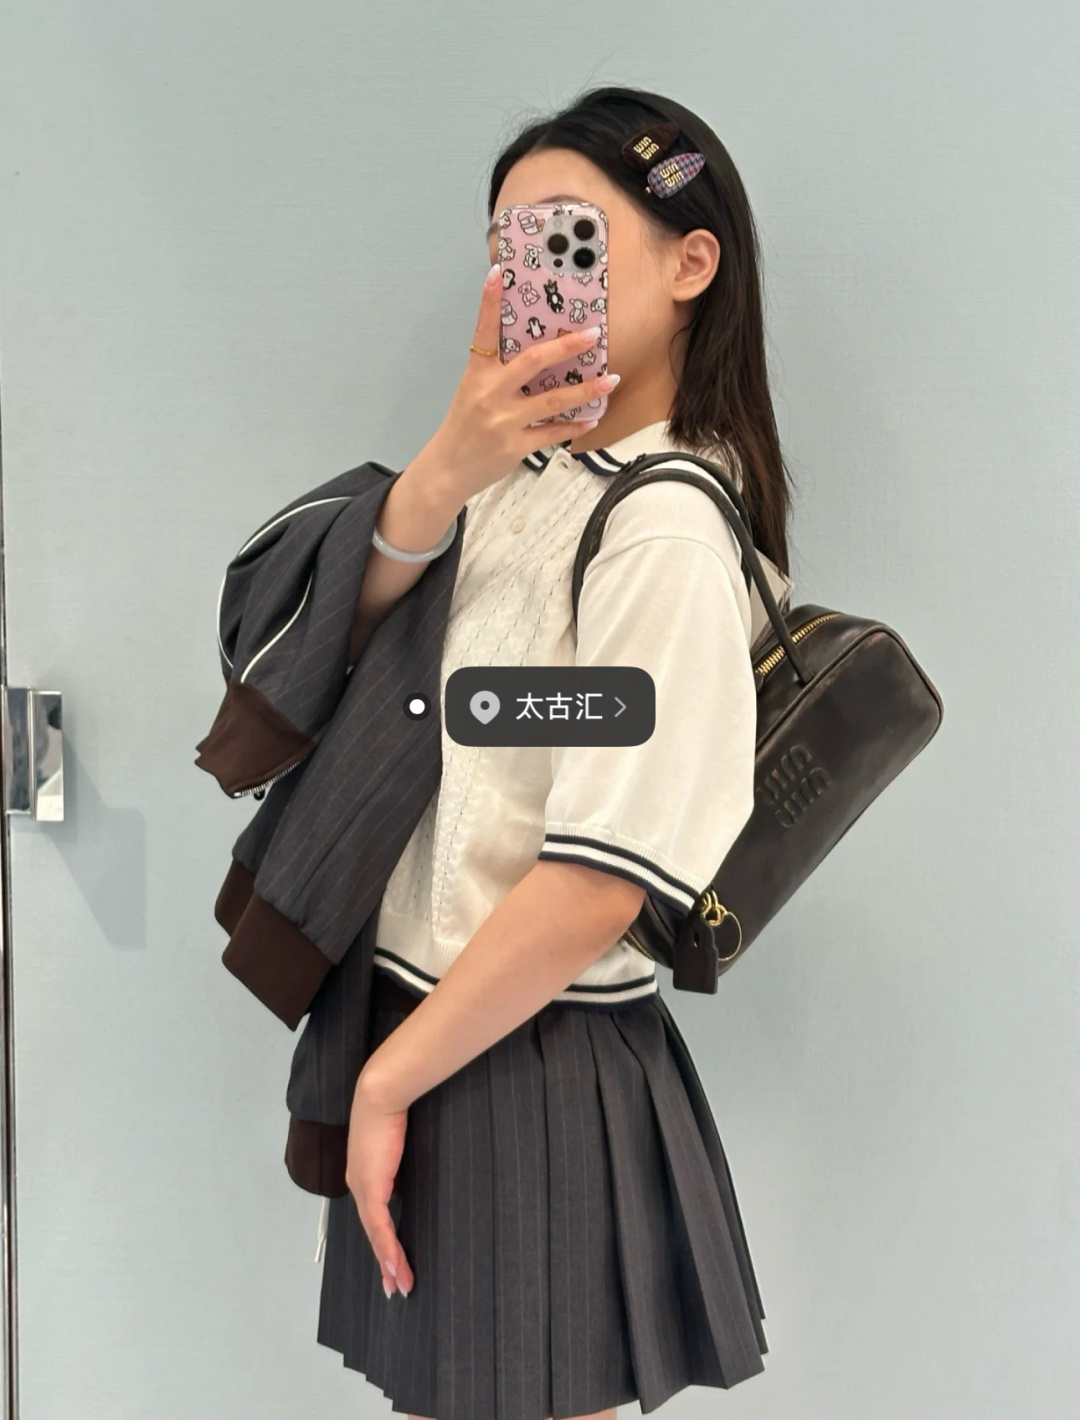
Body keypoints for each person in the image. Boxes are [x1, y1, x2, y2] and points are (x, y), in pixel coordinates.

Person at [315, 84, 795, 1420]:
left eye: (568, 237)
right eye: (509, 247)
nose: (533, 273)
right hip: (452, 1032)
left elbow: (599, 876)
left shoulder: (662, 531)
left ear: (692, 264)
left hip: (523, 1055)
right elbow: (342, 667)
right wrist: (445, 465)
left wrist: (388, 1083)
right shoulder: (527, 483)